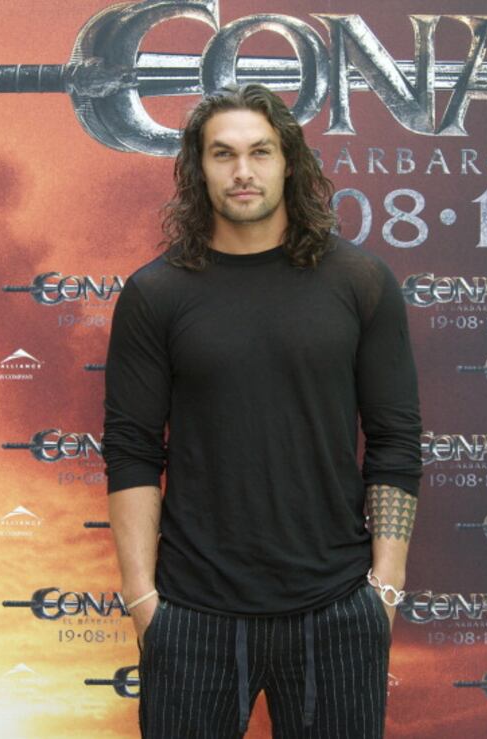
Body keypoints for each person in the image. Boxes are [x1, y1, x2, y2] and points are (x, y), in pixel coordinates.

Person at [102, 83, 422, 738]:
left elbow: (395, 441)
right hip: (192, 613)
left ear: (289, 163)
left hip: (337, 609)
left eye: (260, 152)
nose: (242, 171)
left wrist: (385, 589)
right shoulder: (155, 294)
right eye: (223, 154)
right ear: (198, 169)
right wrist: (143, 601)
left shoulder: (360, 282)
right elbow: (132, 450)